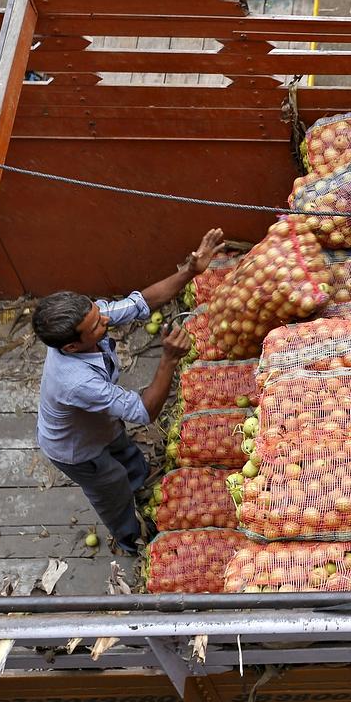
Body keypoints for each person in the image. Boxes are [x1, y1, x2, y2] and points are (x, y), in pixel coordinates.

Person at [33, 227, 224, 555]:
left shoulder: (90, 321)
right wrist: (168, 359)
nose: (104, 322)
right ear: (72, 346)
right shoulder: (77, 382)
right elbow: (144, 412)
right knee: (111, 487)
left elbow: (142, 302)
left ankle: (141, 481)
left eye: (98, 313)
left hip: (100, 423)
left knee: (123, 448)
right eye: (96, 326)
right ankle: (131, 539)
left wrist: (190, 272)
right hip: (78, 449)